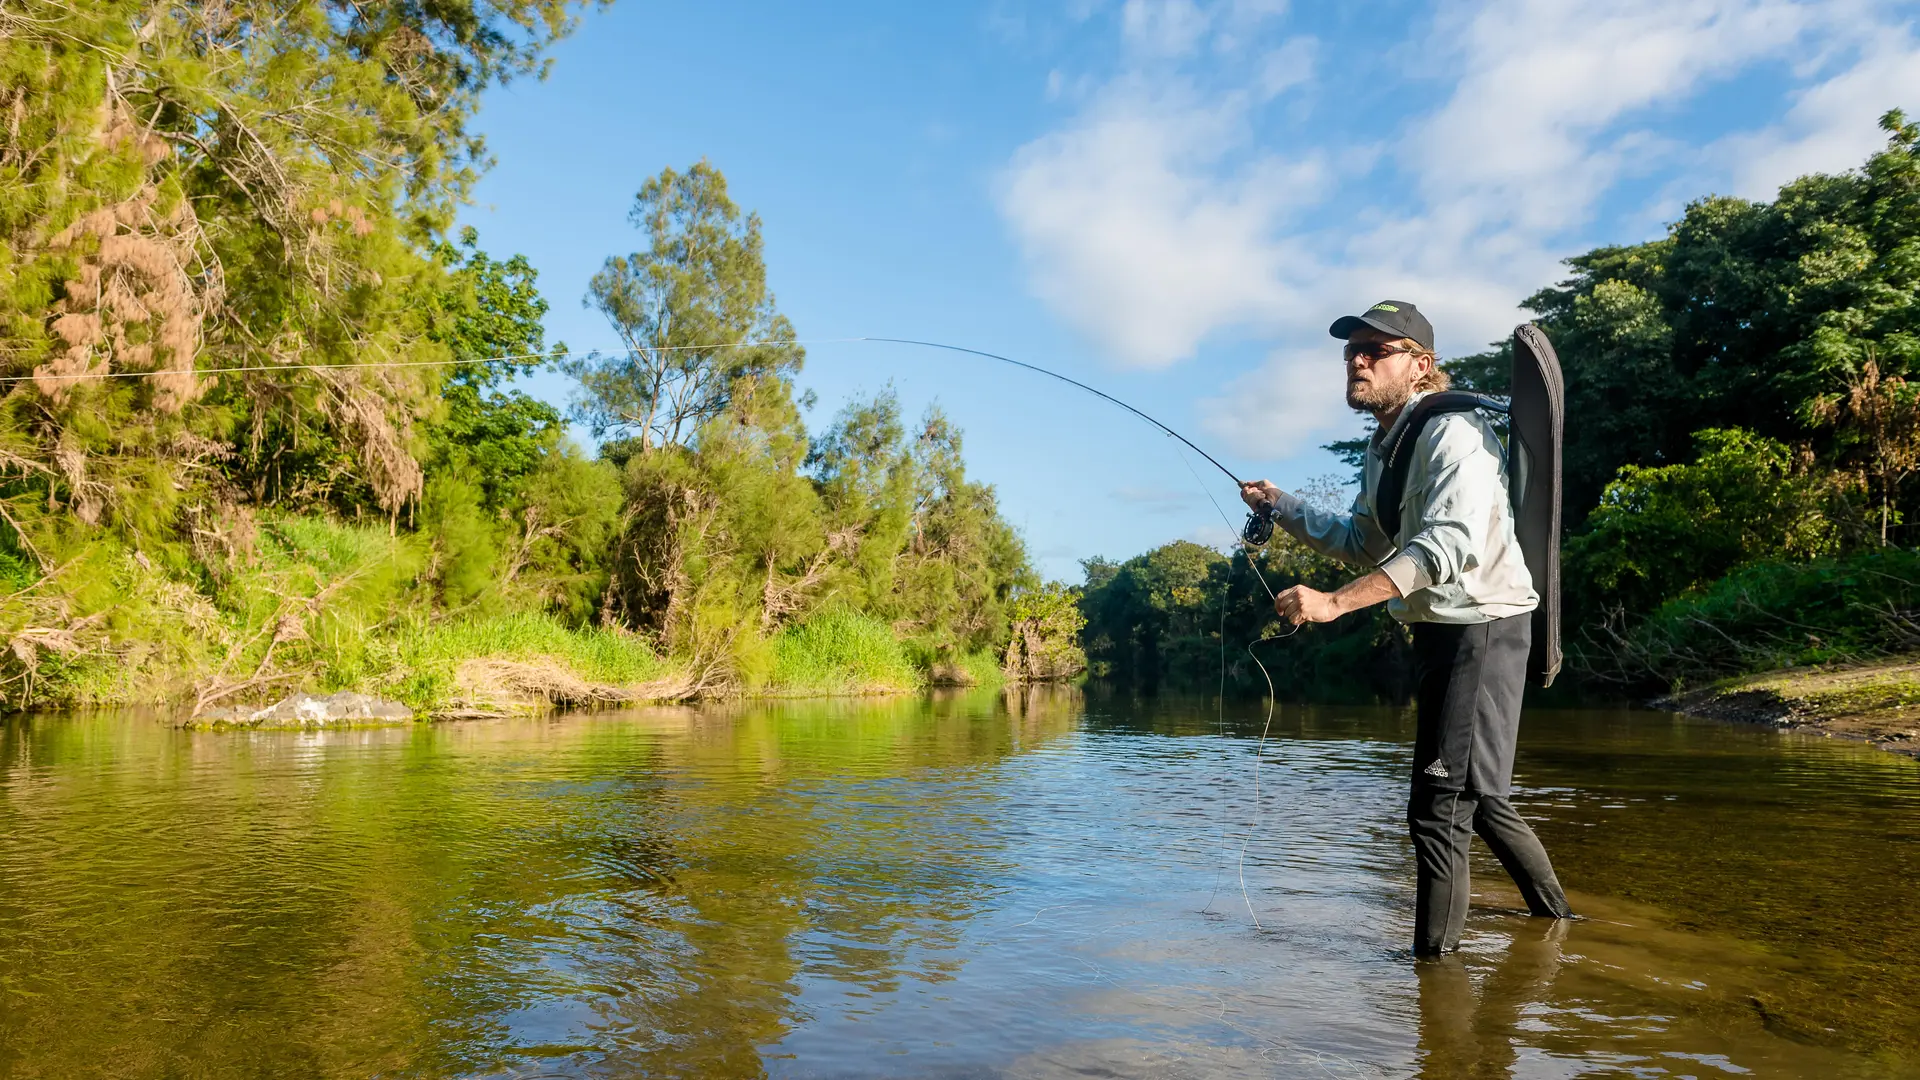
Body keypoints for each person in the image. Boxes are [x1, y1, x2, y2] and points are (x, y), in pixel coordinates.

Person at [1238, 300, 1573, 956]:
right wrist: (1283, 507)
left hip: (1481, 629)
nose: (1356, 360)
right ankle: (1558, 925)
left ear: (1420, 366)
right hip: (1444, 632)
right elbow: (1367, 539)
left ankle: (1434, 984)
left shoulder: (1456, 436)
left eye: (1375, 350)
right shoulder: (1384, 446)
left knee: (1438, 810)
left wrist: (1335, 603)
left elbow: (1444, 545)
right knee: (1482, 797)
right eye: (1349, 352)